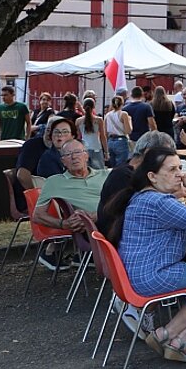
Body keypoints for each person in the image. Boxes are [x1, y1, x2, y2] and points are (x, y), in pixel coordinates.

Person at [96, 148, 186, 364]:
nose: (180, 174)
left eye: (180, 168)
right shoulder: (158, 202)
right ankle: (165, 333)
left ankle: (182, 343)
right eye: (172, 169)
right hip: (151, 277)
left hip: (137, 274)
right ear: (152, 176)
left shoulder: (144, 196)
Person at [31, 139, 111, 269]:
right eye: (68, 154)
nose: (74, 157)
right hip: (94, 229)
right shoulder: (55, 182)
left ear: (86, 155)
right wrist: (63, 224)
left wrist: (97, 214)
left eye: (78, 152)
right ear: (63, 161)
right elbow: (37, 216)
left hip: (115, 218)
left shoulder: (105, 174)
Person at [77, 97, 109, 170]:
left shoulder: (78, 121)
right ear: (94, 107)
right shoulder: (99, 120)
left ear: (84, 107)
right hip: (97, 148)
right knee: (99, 171)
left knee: (85, 170)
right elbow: (103, 137)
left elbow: (78, 137)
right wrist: (106, 152)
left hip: (84, 148)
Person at [103, 96, 133, 167]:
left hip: (110, 141)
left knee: (112, 166)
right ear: (122, 104)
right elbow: (128, 131)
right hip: (121, 140)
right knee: (121, 165)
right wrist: (130, 121)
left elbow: (105, 132)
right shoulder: (124, 114)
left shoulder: (107, 115)